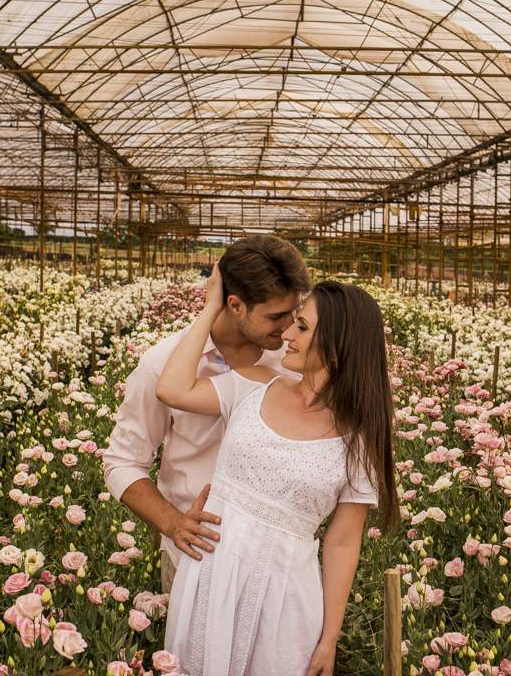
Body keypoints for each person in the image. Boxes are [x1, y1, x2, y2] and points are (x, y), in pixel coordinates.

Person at [156, 267, 398, 676]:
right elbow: (172, 388)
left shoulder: (359, 440)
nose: (287, 334)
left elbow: (342, 542)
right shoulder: (255, 385)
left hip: (286, 598)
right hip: (212, 575)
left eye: (302, 326)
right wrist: (212, 305)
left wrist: (329, 638)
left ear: (337, 345)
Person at [103, 235, 310, 592]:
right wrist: (173, 523)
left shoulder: (293, 362)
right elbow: (122, 462)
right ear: (234, 304)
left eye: (294, 312)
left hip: (275, 563)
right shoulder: (163, 366)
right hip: (194, 556)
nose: (289, 326)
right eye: (276, 316)